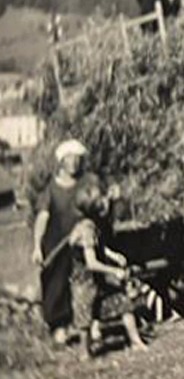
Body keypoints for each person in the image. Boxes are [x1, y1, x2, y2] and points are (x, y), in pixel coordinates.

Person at [69, 182, 147, 357]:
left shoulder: (91, 225)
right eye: (100, 203)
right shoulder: (86, 230)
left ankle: (136, 341)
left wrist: (112, 255)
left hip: (97, 280)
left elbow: (98, 248)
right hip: (84, 282)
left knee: (122, 302)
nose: (104, 205)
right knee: (85, 318)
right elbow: (91, 263)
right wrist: (114, 271)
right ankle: (84, 352)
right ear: (93, 208)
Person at [32, 139, 92, 345]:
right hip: (56, 244)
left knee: (86, 282)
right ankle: (59, 326)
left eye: (78, 159)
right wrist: (37, 246)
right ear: (62, 162)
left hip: (81, 243)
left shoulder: (86, 184)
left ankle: (88, 323)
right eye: (70, 159)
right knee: (56, 283)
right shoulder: (51, 190)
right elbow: (42, 217)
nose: (74, 163)